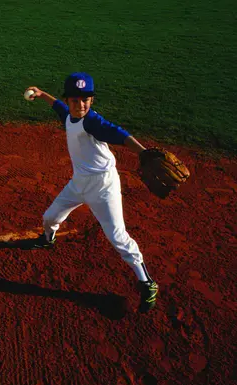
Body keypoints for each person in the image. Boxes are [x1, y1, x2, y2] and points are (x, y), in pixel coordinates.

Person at [24, 72, 158, 312]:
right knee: (50, 217)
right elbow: (58, 107)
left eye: (86, 99)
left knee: (117, 236)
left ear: (92, 100)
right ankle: (47, 239)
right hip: (78, 183)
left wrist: (143, 152)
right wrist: (42, 94)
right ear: (70, 101)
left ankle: (146, 281)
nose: (81, 104)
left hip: (103, 186)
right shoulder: (68, 115)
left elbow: (119, 133)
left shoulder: (92, 121)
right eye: (75, 100)